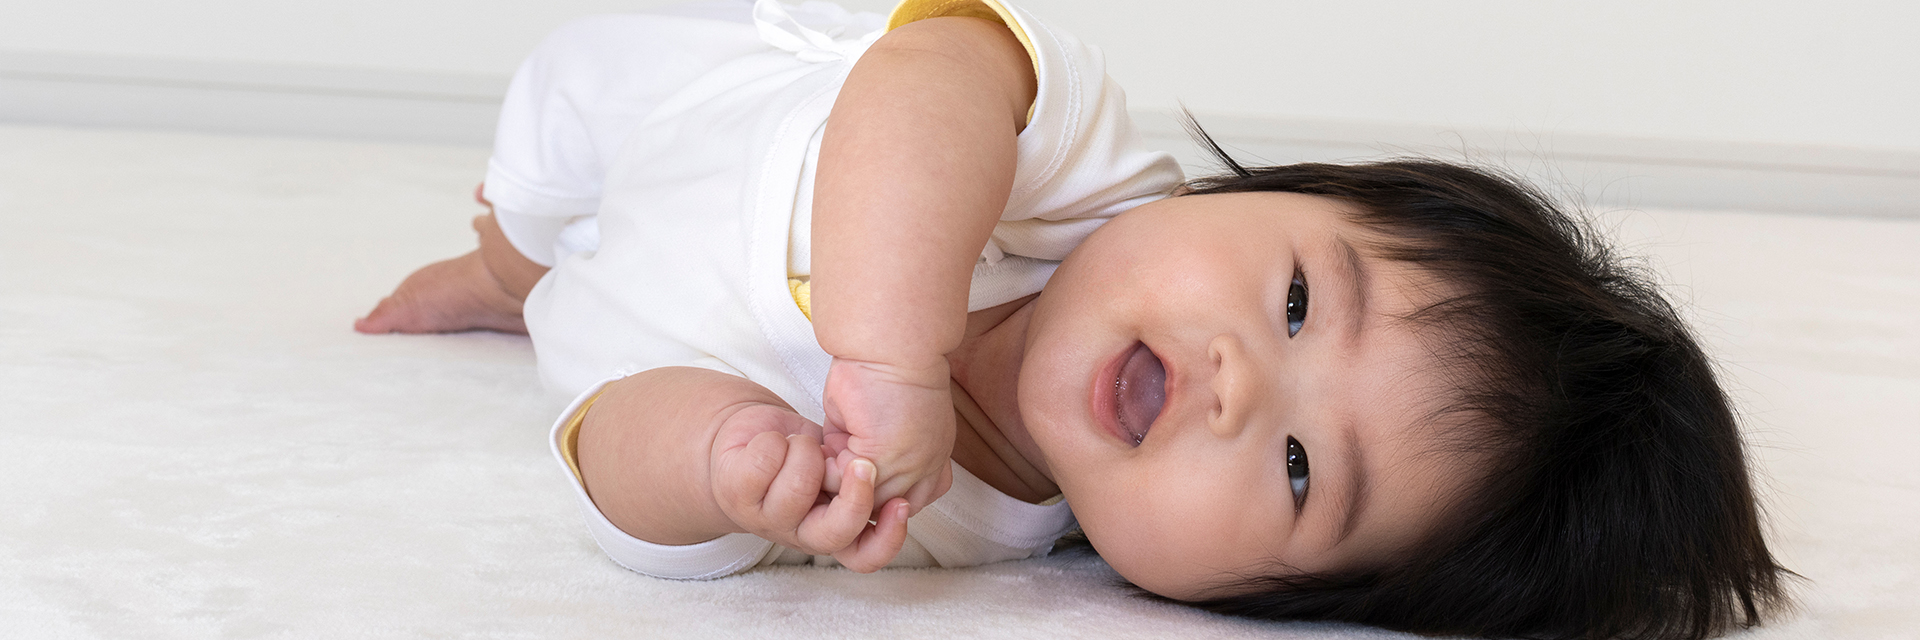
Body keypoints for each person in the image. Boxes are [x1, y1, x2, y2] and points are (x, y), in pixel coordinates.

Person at [357, 1, 1793, 637]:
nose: (1237, 385)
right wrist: (887, 353)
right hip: (675, 109)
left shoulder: (950, 528)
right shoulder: (1075, 168)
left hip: (621, 325)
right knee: (526, 201)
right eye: (1297, 298)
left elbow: (609, 458)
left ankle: (526, 297)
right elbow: (930, 81)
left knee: (573, 329)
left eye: (1302, 474)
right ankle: (504, 265)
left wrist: (725, 461)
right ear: (1257, 192)